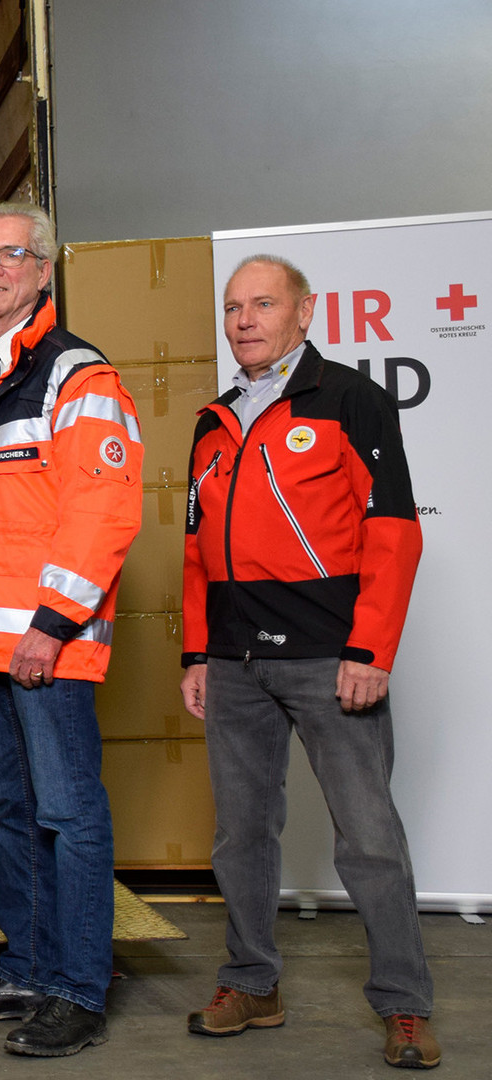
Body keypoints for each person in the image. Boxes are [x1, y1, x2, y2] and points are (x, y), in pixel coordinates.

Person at [179, 255, 437, 1070]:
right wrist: (196, 652)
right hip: (234, 663)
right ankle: (252, 980)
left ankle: (404, 1006)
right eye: (233, 307)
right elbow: (195, 549)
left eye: (263, 303)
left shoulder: (350, 399)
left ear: (305, 311)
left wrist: (370, 649)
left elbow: (393, 532)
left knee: (368, 840)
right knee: (242, 837)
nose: (245, 320)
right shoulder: (213, 418)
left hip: (332, 661)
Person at [0, 202, 141, 1058]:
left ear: (44, 269)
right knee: (7, 813)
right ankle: (26, 968)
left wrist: (52, 625)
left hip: (42, 646)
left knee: (67, 813)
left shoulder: (75, 374)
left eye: (10, 256)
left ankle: (79, 988)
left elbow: (103, 512)